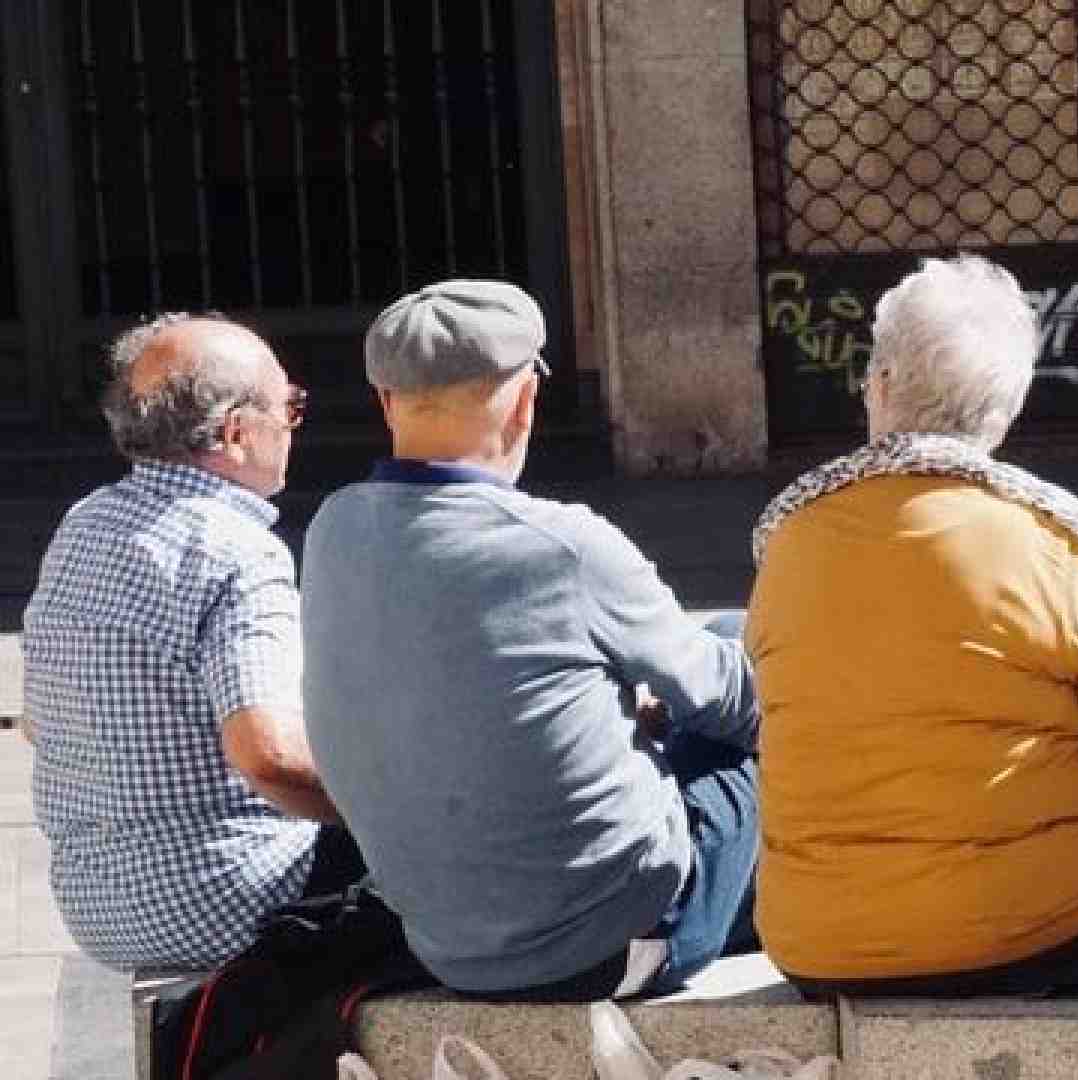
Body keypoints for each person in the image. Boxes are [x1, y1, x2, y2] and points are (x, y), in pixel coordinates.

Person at [748, 255, 1078, 998]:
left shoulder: (787, 540)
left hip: (817, 943)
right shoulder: (1053, 540)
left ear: (879, 387)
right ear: (1005, 408)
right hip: (1033, 924)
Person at [300, 280, 759, 1000]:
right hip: (617, 939)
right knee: (749, 678)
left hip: (446, 948)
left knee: (714, 659)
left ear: (386, 402)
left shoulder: (332, 529)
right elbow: (735, 703)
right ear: (524, 401)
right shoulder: (562, 546)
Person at [23, 314, 357, 971]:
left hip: (97, 908)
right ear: (236, 431)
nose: (294, 424)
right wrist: (394, 808)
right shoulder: (236, 550)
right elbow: (268, 757)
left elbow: (39, 723)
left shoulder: (85, 525)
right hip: (229, 895)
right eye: (289, 406)